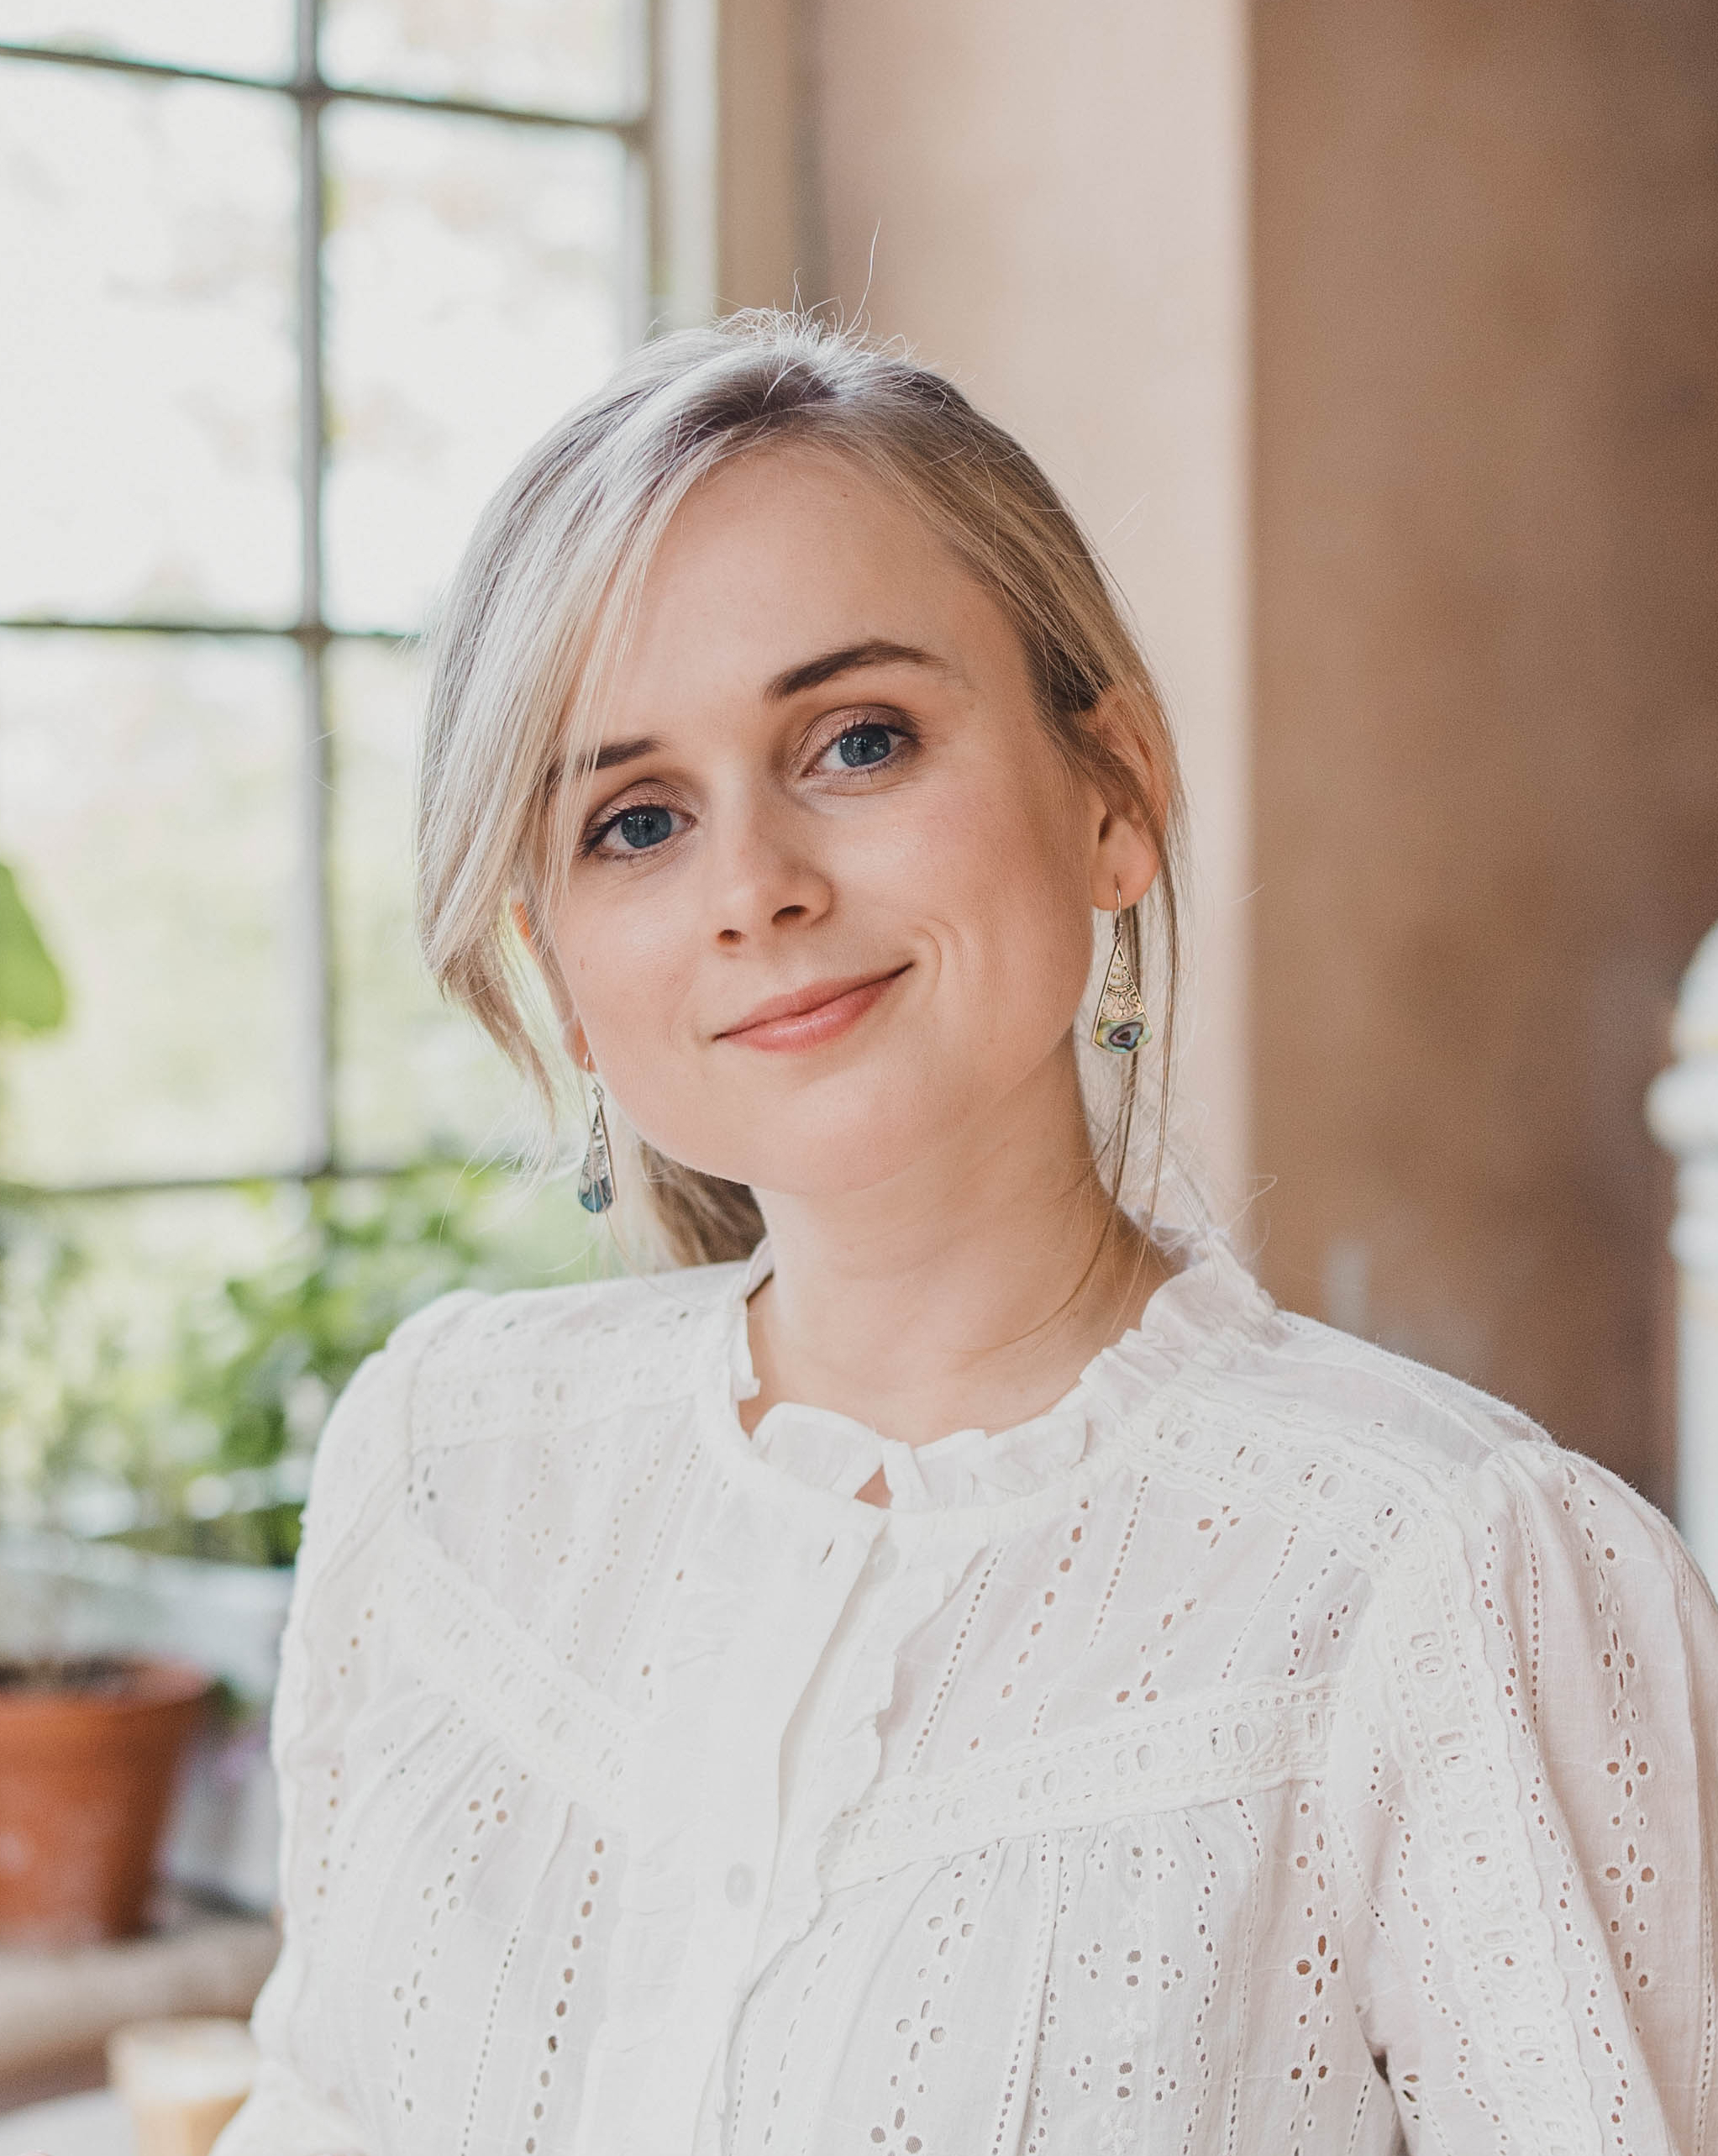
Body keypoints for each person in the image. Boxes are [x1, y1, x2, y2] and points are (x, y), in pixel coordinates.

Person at [217, 314, 1716, 2156]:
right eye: (635, 817)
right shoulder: (444, 1457)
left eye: (857, 738)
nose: (755, 883)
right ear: (555, 958)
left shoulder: (1454, 1579)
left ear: (1115, 792)